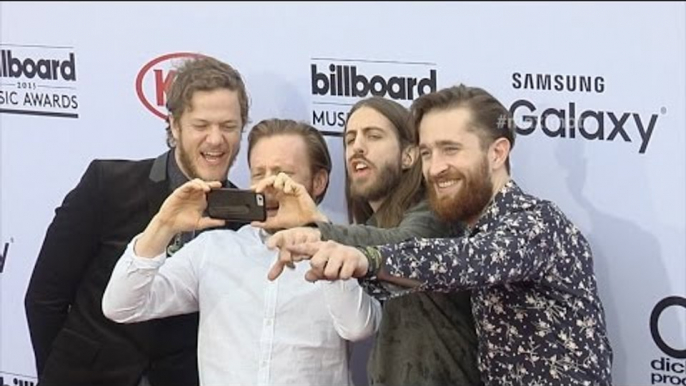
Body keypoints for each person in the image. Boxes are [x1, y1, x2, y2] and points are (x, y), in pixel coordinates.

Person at [272, 85, 614, 386]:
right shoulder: (470, 228)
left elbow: (462, 261)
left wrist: (365, 257)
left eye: (450, 149)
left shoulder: (536, 224)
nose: (435, 168)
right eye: (426, 153)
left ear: (497, 153)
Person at [102, 119, 382, 386]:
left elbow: (358, 327)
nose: (267, 187)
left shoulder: (350, 251)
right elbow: (122, 306)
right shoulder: (213, 250)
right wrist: (164, 225)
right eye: (258, 174)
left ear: (318, 182)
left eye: (283, 175)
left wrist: (320, 233)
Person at [24, 56, 250, 386]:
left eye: (228, 126)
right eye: (201, 125)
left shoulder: (242, 220)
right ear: (174, 126)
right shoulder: (108, 184)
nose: (216, 140)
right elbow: (45, 298)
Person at [255, 97, 480, 386]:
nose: (357, 147)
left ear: (408, 156)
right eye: (350, 139)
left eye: (373, 136)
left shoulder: (436, 210)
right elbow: (357, 326)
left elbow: (402, 248)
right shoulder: (367, 230)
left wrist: (320, 228)